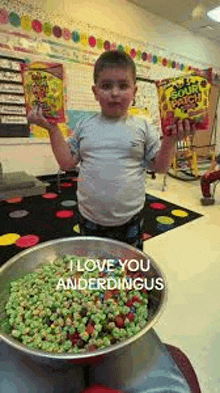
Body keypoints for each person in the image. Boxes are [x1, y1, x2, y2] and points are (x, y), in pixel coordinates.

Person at [28, 50, 187, 250]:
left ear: (134, 91)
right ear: (95, 92)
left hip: (129, 218)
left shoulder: (144, 127)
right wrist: (52, 129)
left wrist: (170, 141)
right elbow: (66, 163)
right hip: (90, 217)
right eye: (106, 86)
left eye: (123, 85)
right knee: (94, 266)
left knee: (128, 269)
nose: (114, 93)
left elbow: (160, 167)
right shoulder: (85, 125)